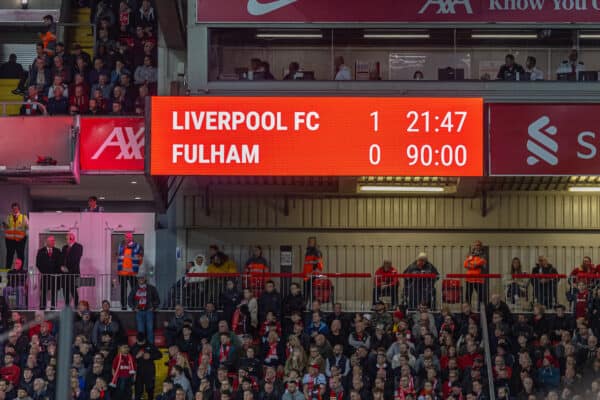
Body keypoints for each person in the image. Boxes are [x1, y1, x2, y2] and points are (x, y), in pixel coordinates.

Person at [128, 274, 160, 345]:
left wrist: (153, 307)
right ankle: (141, 346)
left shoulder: (151, 288)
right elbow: (129, 300)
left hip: (149, 311)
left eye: (142, 278)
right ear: (137, 280)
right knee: (141, 330)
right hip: (139, 312)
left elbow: (157, 300)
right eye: (139, 278)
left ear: (145, 278)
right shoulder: (134, 289)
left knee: (150, 330)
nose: (141, 279)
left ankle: (151, 347)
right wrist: (134, 308)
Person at [117, 232, 144, 310]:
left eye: (129, 237)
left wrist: (136, 266)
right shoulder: (121, 246)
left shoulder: (137, 246)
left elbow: (140, 258)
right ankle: (124, 306)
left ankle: (134, 306)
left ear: (132, 238)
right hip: (122, 273)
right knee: (123, 291)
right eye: (126, 237)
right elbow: (119, 257)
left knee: (134, 290)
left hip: (132, 273)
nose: (127, 239)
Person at [131, 332, 161, 400]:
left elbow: (159, 354)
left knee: (150, 390)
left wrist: (150, 356)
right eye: (139, 342)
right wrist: (136, 357)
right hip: (138, 372)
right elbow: (128, 358)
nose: (141, 343)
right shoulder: (133, 347)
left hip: (149, 372)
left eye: (142, 342)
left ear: (145, 339)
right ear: (136, 340)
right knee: (138, 392)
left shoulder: (150, 345)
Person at [35, 236, 61, 310]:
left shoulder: (57, 251)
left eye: (54, 241)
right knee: (43, 293)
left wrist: (56, 272)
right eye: (52, 241)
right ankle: (42, 308)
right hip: (45, 276)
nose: (53, 242)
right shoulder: (41, 251)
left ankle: (53, 308)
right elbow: (38, 263)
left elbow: (60, 263)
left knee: (54, 293)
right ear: (47, 242)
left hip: (54, 276)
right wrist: (44, 272)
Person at [60, 232, 83, 307]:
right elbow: (62, 258)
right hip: (64, 273)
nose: (66, 240)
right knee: (65, 290)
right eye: (66, 239)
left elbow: (76, 259)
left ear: (72, 239)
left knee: (73, 290)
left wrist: (68, 269)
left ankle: (76, 306)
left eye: (67, 239)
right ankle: (67, 306)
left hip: (73, 272)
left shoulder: (78, 247)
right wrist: (62, 267)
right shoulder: (64, 247)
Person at [2, 203, 29, 270]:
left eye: (16, 208)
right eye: (13, 208)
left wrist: (26, 235)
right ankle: (7, 271)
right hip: (10, 240)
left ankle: (20, 271)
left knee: (20, 256)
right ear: (12, 209)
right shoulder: (9, 217)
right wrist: (5, 225)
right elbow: (5, 227)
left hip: (20, 239)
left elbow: (28, 227)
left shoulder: (23, 217)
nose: (15, 210)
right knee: (9, 256)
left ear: (19, 209)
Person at [464, 240, 488, 307]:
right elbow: (465, 264)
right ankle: (468, 310)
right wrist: (474, 265)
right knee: (468, 297)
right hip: (469, 279)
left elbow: (482, 262)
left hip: (479, 279)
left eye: (478, 245)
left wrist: (472, 264)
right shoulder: (470, 254)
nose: (477, 246)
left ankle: (481, 311)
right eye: (476, 245)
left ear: (481, 246)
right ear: (473, 246)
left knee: (481, 297)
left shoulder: (483, 254)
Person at [303, 237, 324, 303]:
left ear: (315, 243)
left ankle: (314, 309)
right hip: (306, 277)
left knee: (313, 295)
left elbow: (320, 266)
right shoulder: (307, 251)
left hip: (313, 277)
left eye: (312, 241)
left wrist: (312, 273)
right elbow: (306, 265)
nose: (311, 243)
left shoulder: (317, 252)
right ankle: (306, 308)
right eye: (310, 241)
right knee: (306, 295)